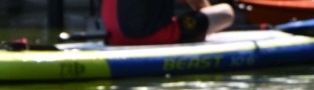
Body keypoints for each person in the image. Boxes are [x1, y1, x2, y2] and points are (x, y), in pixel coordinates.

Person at [101, 0, 235, 46]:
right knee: (226, 12)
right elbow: (199, 4)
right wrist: (205, 27)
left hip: (114, 38)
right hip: (154, 36)